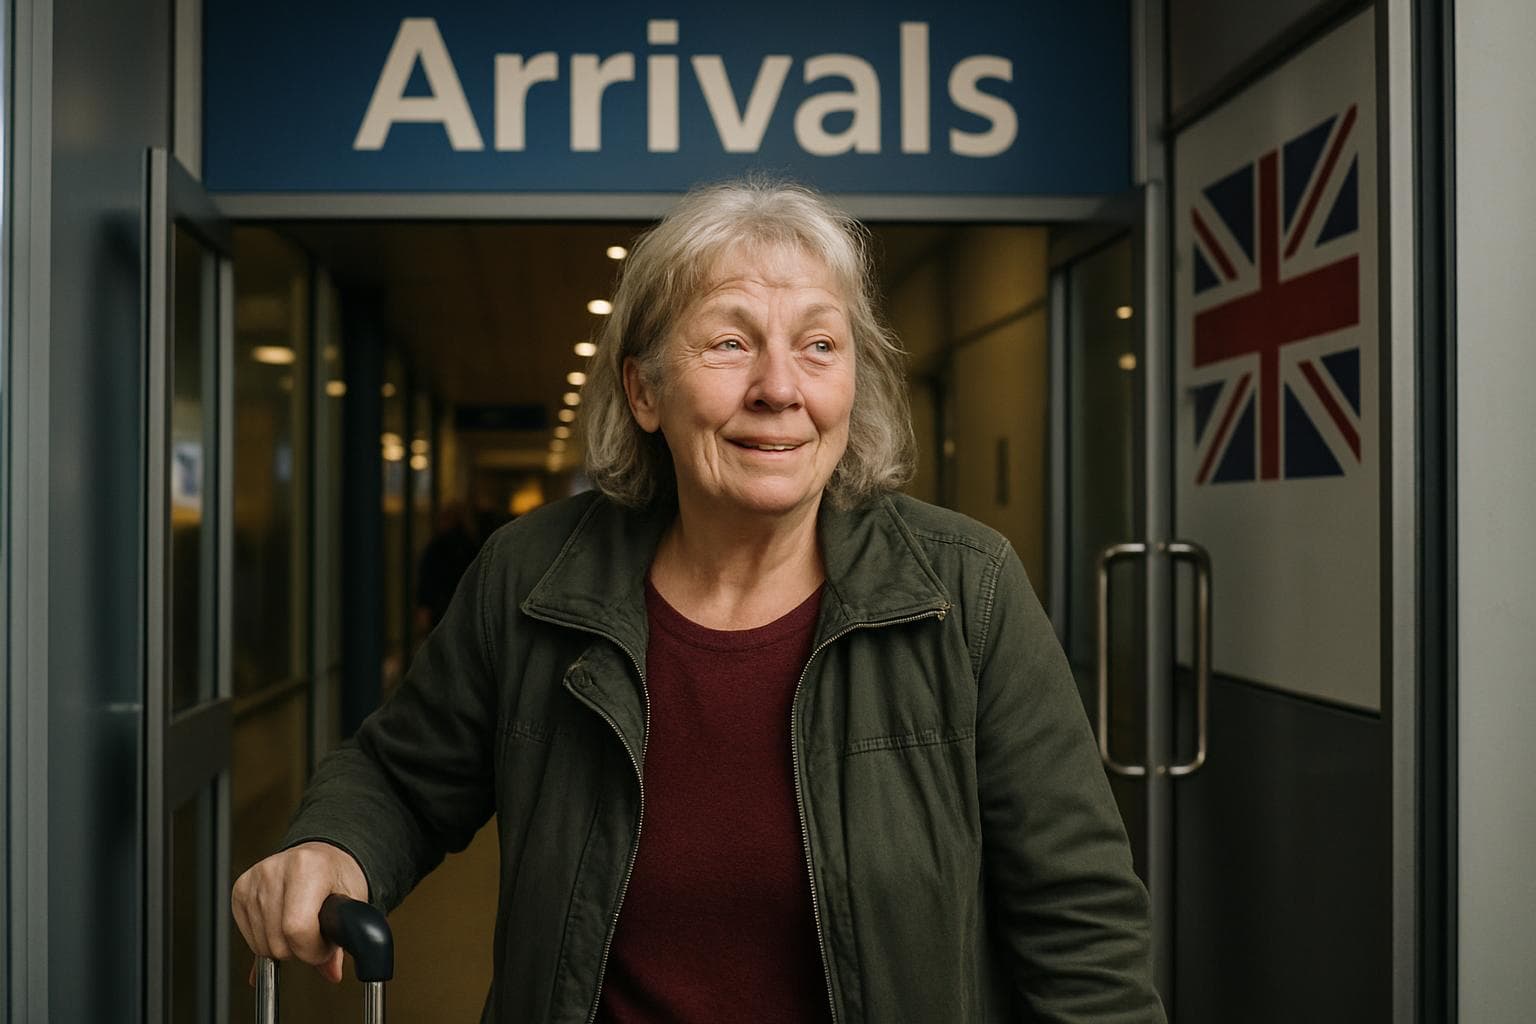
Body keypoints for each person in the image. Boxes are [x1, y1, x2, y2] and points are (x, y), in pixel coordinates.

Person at [231, 179, 1166, 1022]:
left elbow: (1081, 930)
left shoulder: (967, 591)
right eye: (730, 342)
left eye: (818, 345)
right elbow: (400, 775)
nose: (779, 389)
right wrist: (333, 847)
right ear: (644, 390)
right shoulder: (531, 577)